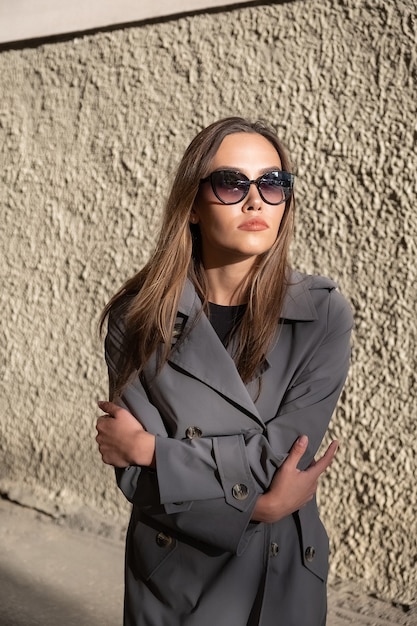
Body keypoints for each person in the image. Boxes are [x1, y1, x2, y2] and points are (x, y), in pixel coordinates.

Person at [95, 117, 353, 626]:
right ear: (192, 204)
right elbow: (137, 482)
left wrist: (152, 450)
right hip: (178, 571)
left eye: (272, 184)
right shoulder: (138, 317)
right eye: (232, 183)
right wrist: (259, 508)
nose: (255, 201)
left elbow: (276, 458)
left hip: (281, 574)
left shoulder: (322, 313)